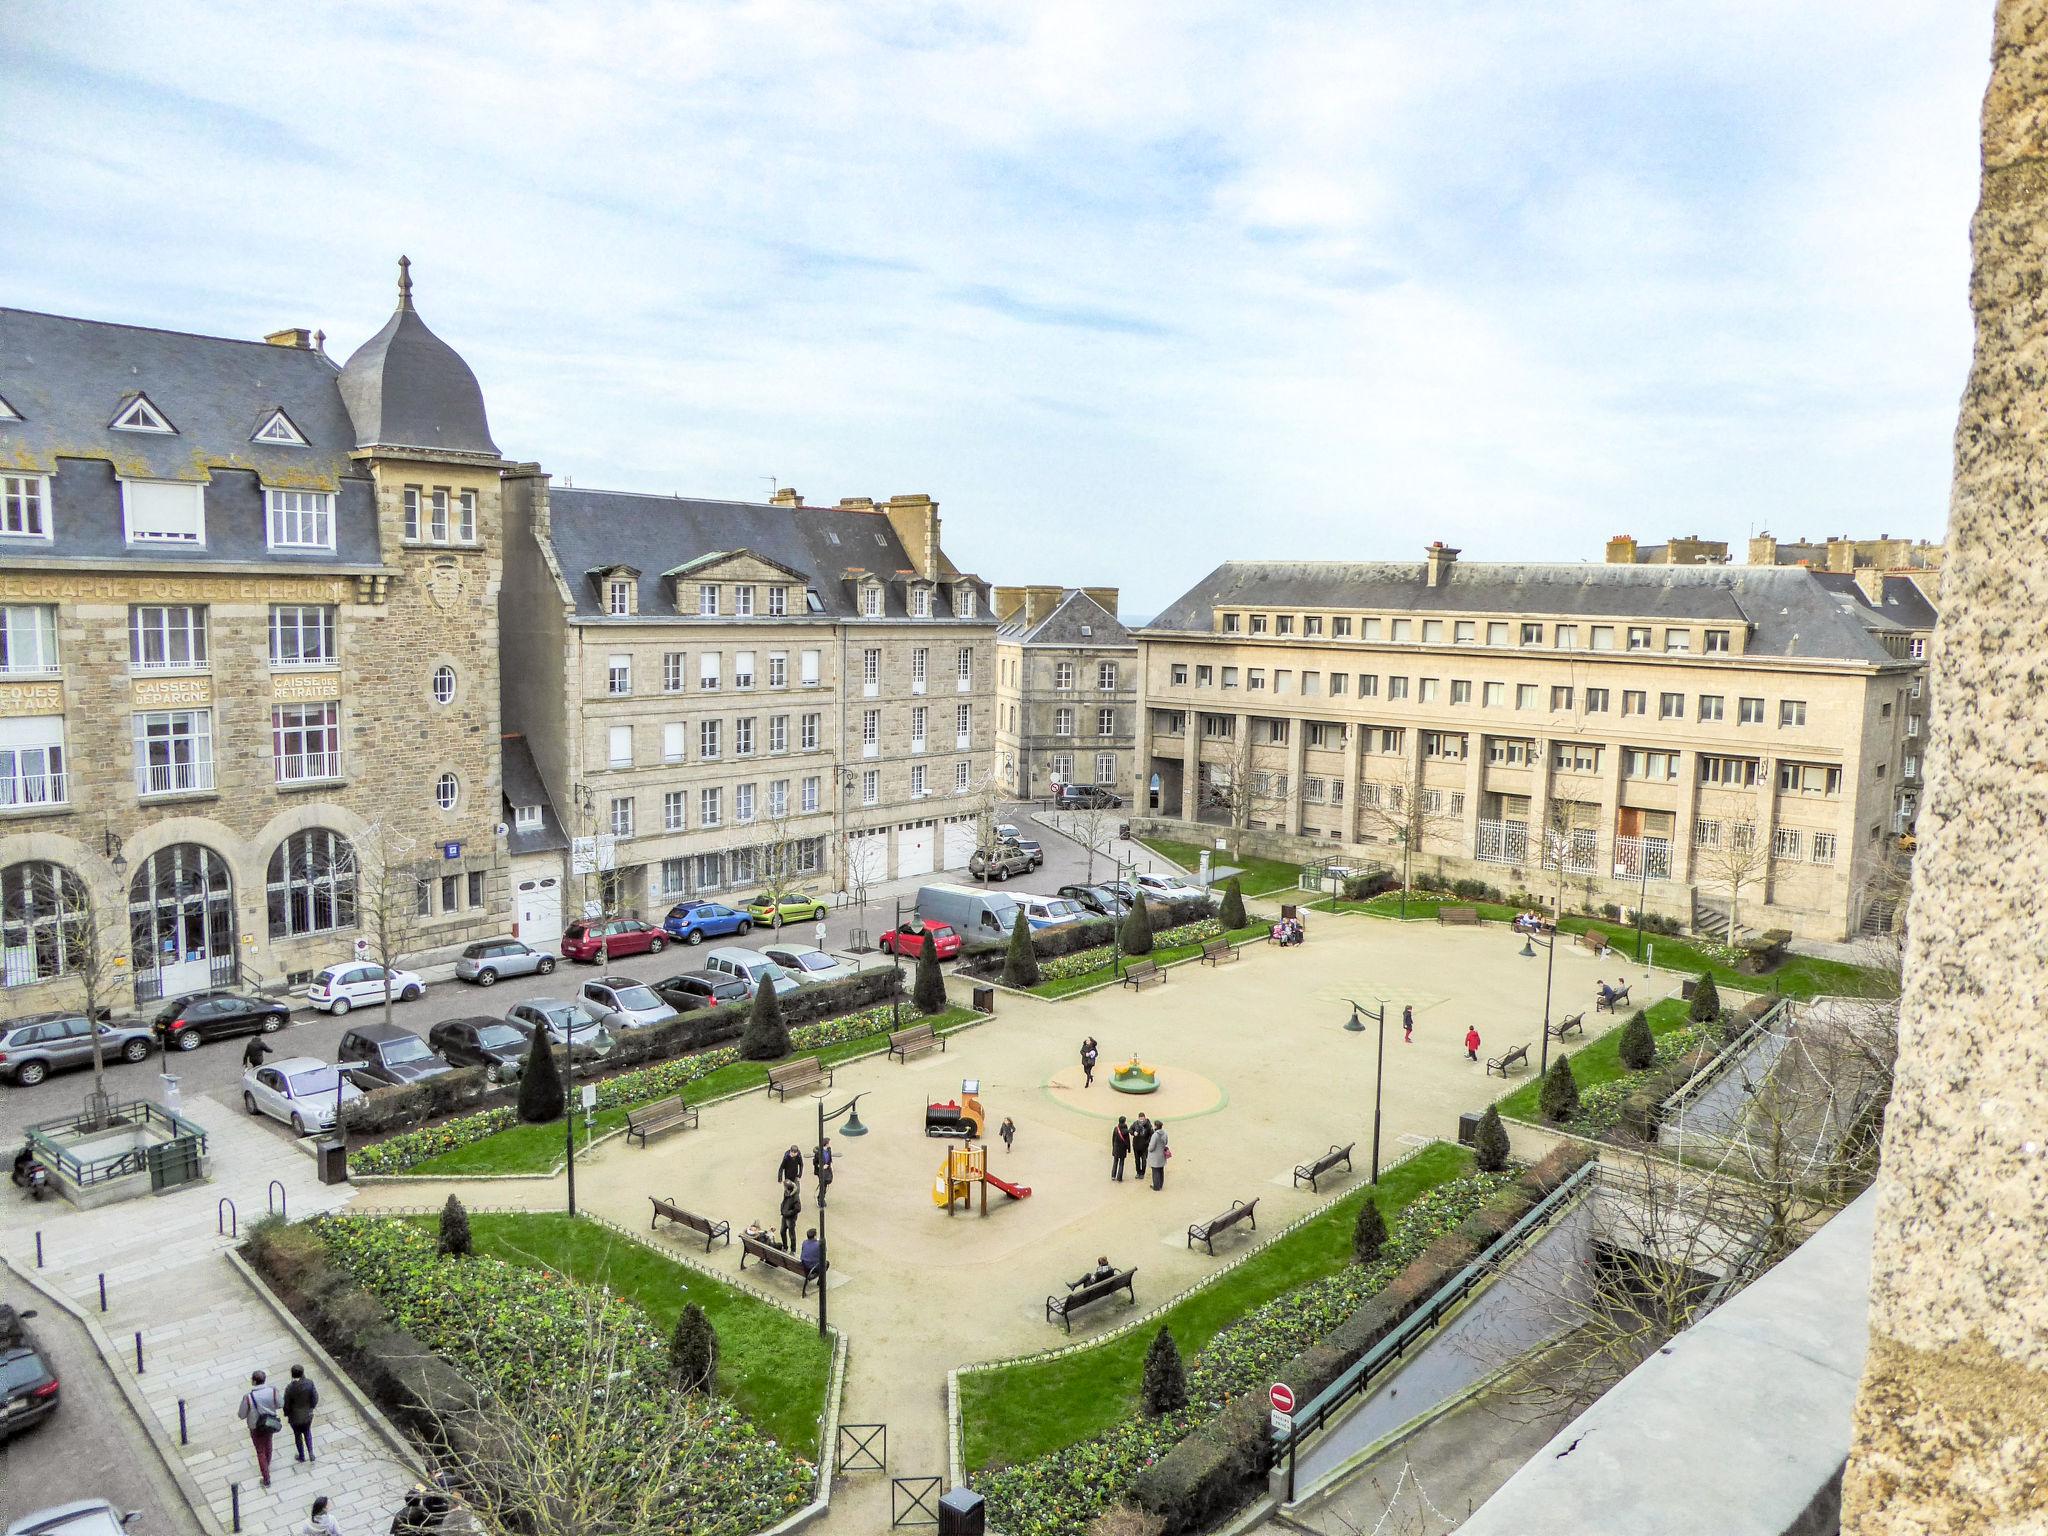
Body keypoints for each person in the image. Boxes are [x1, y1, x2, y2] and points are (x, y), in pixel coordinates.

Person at [237, 1368, 283, 1487]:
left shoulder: (248, 1397)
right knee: (268, 1443)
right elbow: (280, 1404)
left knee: (260, 1451)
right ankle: (267, 1464)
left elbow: (241, 1414)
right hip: (269, 1423)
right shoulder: (272, 1391)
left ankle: (266, 1477)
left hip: (255, 1427)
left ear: (254, 1381)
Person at [283, 1362, 319, 1463]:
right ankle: (311, 1452)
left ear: (292, 1374)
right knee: (307, 1432)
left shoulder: (290, 1388)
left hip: (295, 1417)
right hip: (307, 1414)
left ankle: (302, 1456)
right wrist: (311, 1408)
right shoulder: (309, 1383)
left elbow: (286, 1404)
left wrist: (287, 1413)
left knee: (297, 1435)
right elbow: (315, 1397)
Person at [778, 1179, 802, 1251]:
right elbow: (784, 1201)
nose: (784, 1188)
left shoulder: (795, 1197)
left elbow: (798, 1209)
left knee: (791, 1235)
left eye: (784, 1186)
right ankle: (785, 1247)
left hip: (790, 1218)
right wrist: (782, 1208)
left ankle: (793, 1250)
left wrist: (788, 1213)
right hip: (784, 1216)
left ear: (788, 1188)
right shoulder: (786, 1192)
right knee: (782, 1232)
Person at [1149, 1120, 1170, 1190]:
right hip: (1162, 1155)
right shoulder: (1165, 1133)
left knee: (1155, 1171)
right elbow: (1166, 1142)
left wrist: (1149, 1149)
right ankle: (1160, 1185)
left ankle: (1156, 1186)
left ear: (1155, 1126)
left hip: (1155, 1156)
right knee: (1161, 1170)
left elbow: (1151, 1147)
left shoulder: (1155, 1135)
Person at [1110, 1117, 1131, 1181]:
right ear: (1124, 1122)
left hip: (1116, 1148)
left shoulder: (1116, 1129)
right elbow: (1127, 1140)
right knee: (1121, 1163)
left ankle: (1113, 1176)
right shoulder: (1126, 1130)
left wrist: (1113, 1147)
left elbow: (1113, 1139)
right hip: (1122, 1149)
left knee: (1115, 1162)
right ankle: (1119, 1177)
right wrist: (1129, 1149)